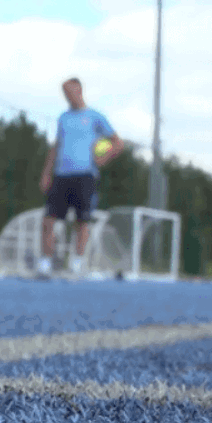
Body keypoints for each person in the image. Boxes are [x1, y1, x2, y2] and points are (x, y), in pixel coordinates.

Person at [37, 78, 123, 278]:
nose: (69, 96)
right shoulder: (63, 118)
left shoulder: (95, 117)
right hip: (61, 176)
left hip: (85, 176)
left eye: (71, 92)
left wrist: (104, 158)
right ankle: (45, 265)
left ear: (80, 90)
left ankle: (76, 264)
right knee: (48, 220)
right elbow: (56, 145)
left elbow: (117, 143)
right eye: (65, 93)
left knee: (81, 221)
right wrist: (46, 173)